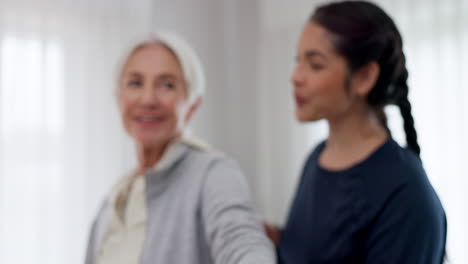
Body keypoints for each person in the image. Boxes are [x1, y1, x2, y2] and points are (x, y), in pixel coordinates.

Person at [269, 1, 446, 263]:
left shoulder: (406, 195)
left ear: (364, 77)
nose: (295, 77)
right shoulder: (317, 159)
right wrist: (272, 239)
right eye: (298, 61)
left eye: (315, 65)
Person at [85, 32, 275, 264]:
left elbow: (242, 241)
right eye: (135, 83)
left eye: (167, 85)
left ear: (193, 104)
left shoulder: (213, 174)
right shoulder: (114, 202)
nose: (148, 99)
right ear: (119, 98)